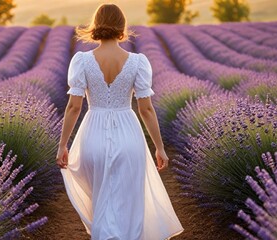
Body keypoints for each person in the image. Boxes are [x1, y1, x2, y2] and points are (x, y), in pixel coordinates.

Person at [56, 3, 184, 240]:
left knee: (101, 201)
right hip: (128, 134)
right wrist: (159, 147)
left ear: (96, 25)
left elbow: (74, 106)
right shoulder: (138, 62)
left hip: (92, 134)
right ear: (122, 27)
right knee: (129, 203)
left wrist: (63, 144)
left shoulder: (81, 61)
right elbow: (146, 109)